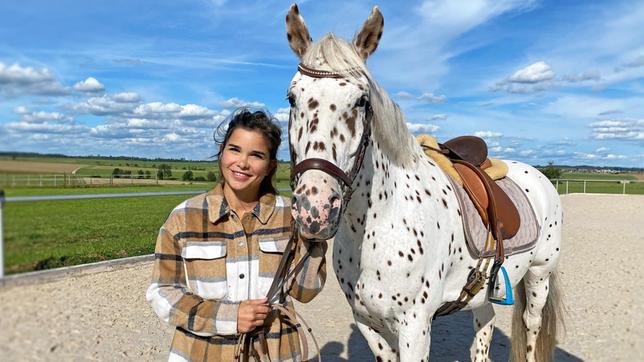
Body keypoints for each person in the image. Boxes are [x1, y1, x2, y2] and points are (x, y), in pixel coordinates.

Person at [146, 108, 327, 361]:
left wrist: (313, 234)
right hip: (200, 352)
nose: (242, 162)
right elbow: (162, 293)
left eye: (256, 155)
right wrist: (229, 316)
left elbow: (305, 292)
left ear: (270, 166)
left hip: (276, 352)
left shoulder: (291, 216)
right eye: (234, 149)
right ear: (222, 152)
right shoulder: (183, 217)